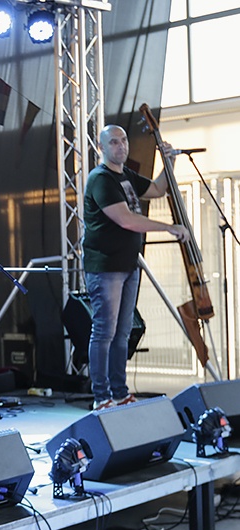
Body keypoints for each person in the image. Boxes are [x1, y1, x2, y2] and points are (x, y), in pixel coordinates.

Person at [83, 125, 190, 410]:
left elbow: (156, 189)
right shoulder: (101, 179)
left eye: (124, 141)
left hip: (129, 265)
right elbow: (127, 219)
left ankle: (120, 392)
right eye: (114, 142)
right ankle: (101, 397)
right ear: (102, 147)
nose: (121, 146)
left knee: (123, 331)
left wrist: (170, 161)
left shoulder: (126, 175)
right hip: (105, 267)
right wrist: (168, 227)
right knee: (104, 331)